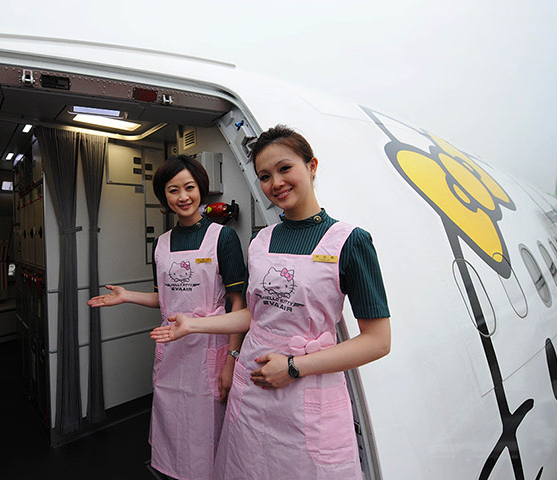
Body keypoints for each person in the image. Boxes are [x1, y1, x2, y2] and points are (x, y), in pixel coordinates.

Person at [151, 125, 391, 479]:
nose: (275, 182)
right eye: (265, 176)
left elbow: (378, 341)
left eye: (284, 168)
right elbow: (252, 317)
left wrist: (293, 367)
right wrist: (193, 324)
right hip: (253, 390)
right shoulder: (260, 242)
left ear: (311, 166)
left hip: (307, 393)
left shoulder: (350, 242)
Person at [88, 155, 246, 480]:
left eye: (189, 187)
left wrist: (232, 360)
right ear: (165, 197)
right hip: (172, 353)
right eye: (173, 190)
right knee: (173, 429)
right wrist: (127, 296)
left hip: (210, 352)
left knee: (209, 436)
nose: (183, 197)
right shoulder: (161, 245)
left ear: (201, 189)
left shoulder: (223, 238)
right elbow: (166, 300)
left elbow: (237, 303)